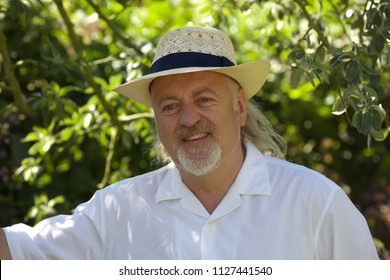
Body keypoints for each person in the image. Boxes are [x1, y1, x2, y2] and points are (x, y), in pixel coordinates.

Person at [0, 26, 378, 260]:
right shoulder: (118, 211)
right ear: (157, 121)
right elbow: (19, 256)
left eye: (204, 99)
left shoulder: (314, 202)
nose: (188, 119)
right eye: (169, 106)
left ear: (240, 108)